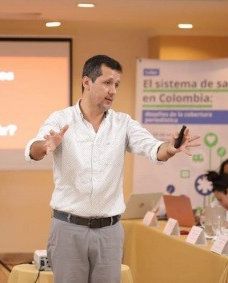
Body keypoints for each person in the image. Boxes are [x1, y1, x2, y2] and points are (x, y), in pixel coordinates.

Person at [25, 54, 200, 283]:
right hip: (68, 228)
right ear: (86, 82)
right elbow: (32, 149)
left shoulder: (123, 123)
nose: (113, 90)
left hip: (109, 231)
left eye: (116, 84)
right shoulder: (61, 119)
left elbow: (152, 148)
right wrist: (46, 146)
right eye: (107, 83)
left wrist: (171, 147)